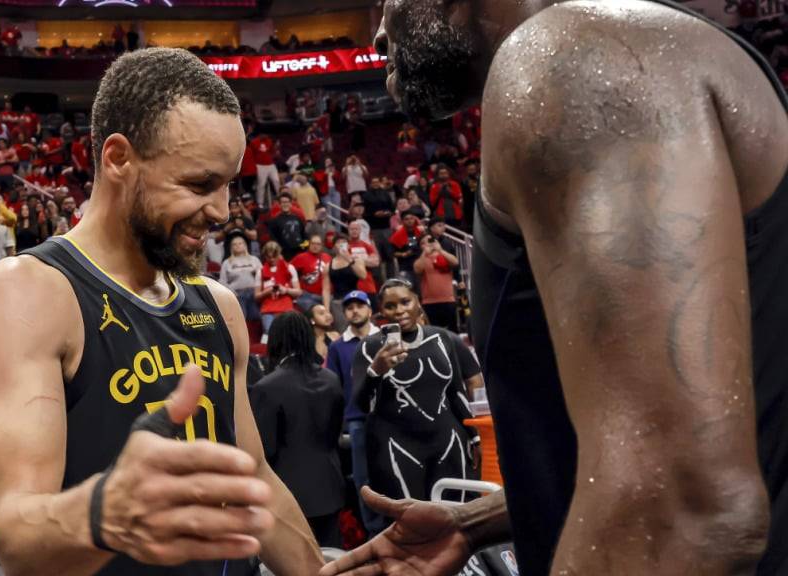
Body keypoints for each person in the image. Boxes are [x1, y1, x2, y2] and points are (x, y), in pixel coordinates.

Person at [323, 0, 788, 573]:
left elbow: (677, 509)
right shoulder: (617, 50)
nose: (376, 35)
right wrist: (476, 522)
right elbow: (699, 441)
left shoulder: (573, 61)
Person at [0, 48, 322, 576]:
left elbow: (253, 479)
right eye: (199, 184)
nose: (223, 211)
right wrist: (103, 514)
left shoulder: (219, 306)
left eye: (229, 185)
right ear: (118, 159)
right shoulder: (26, 293)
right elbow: (16, 537)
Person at [351, 280, 481, 515]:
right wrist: (375, 371)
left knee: (459, 518)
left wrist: (475, 437)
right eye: (390, 306)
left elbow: (456, 393)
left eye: (405, 302)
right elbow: (362, 405)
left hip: (448, 443)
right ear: (381, 311)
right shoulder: (369, 348)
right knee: (412, 522)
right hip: (398, 448)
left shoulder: (442, 338)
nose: (399, 310)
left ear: (418, 303)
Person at [249, 311, 345, 548]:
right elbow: (335, 434)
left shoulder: (266, 387)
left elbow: (265, 449)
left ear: (275, 340)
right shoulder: (331, 379)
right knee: (333, 558)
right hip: (330, 488)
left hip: (287, 494)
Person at [324, 290, 381, 534]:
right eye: (349, 307)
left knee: (392, 473)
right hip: (357, 420)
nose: (355, 310)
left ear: (370, 309)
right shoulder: (337, 347)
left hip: (389, 417)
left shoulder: (385, 338)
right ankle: (373, 532)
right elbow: (334, 384)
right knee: (363, 479)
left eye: (359, 305)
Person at [414, 233, 460, 332]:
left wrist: (440, 250)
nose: (427, 244)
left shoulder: (444, 256)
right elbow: (417, 269)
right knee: (434, 332)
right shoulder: (421, 259)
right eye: (423, 243)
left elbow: (455, 262)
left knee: (452, 331)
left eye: (430, 241)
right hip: (429, 302)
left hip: (448, 299)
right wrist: (425, 253)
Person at [255, 240, 301, 336]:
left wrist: (286, 290)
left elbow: (298, 292)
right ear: (265, 256)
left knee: (288, 333)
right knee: (269, 332)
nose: (272, 259)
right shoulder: (260, 271)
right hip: (268, 310)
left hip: (286, 308)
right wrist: (267, 292)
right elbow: (256, 296)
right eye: (269, 257)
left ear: (279, 254)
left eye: (274, 256)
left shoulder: (290, 268)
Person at [218, 233, 262, 322]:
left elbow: (262, 275)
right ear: (231, 247)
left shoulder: (254, 260)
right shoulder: (227, 262)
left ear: (245, 245)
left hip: (254, 293)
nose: (237, 246)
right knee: (240, 319)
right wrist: (232, 293)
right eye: (234, 244)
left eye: (240, 243)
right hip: (237, 294)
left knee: (256, 318)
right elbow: (222, 281)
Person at [290, 233, 331, 313]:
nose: (315, 246)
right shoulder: (301, 257)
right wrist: (295, 286)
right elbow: (288, 270)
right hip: (308, 296)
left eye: (318, 244)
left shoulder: (327, 257)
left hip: (325, 296)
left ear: (322, 246)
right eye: (313, 243)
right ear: (309, 244)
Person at [267, 193, 308, 259]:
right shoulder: (274, 221)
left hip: (300, 253)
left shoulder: (297, 218)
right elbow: (273, 239)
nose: (285, 204)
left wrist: (304, 248)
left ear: (290, 203)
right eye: (283, 202)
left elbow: (304, 236)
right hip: (284, 254)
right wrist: (278, 253)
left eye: (287, 202)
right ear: (279, 204)